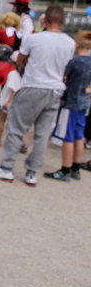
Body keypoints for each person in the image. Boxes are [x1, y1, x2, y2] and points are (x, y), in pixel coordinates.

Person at [0, 5, 75, 186]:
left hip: (34, 85)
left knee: (16, 128)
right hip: (55, 90)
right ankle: (32, 172)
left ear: (44, 20)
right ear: (63, 21)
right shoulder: (70, 42)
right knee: (41, 134)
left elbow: (20, 61)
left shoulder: (34, 38)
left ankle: (7, 168)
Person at [44, 31, 91, 181]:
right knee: (79, 136)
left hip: (70, 103)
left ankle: (65, 169)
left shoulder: (74, 62)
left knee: (67, 137)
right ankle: (76, 168)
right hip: (83, 103)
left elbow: (64, 77)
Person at [0, 51, 22, 149]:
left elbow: (13, 89)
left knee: (2, 120)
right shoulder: (25, 75)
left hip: (8, 102)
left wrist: (8, 101)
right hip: (19, 103)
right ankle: (22, 143)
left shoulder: (13, 74)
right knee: (18, 124)